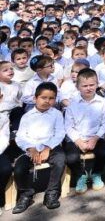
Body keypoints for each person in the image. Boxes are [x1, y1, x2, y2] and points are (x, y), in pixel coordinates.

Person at [12, 82, 65, 213]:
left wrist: (48, 148)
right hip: (31, 148)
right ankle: (26, 195)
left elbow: (60, 133)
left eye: (51, 98)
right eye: (43, 97)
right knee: (19, 168)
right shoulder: (27, 116)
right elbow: (20, 137)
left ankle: (51, 193)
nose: (47, 101)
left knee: (60, 160)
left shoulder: (57, 114)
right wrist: (30, 148)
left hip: (50, 146)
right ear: (35, 98)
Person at [63, 68, 105, 194]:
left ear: (97, 84)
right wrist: (78, 141)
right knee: (71, 158)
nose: (88, 88)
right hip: (77, 138)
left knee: (103, 153)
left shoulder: (103, 102)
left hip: (96, 136)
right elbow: (68, 126)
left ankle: (96, 173)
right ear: (77, 87)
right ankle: (81, 175)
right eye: (84, 86)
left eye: (92, 85)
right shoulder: (72, 104)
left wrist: (95, 138)